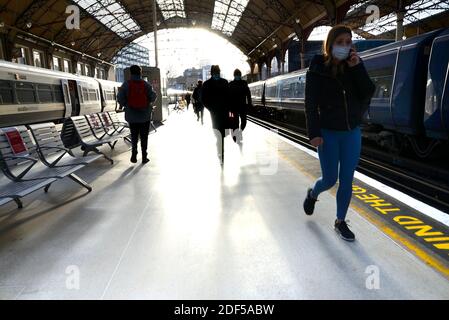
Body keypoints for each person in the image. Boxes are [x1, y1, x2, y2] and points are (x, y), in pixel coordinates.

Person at [303, 25, 375, 241]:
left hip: (351, 132)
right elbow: (310, 104)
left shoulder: (352, 67)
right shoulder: (316, 69)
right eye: (340, 42)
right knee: (329, 179)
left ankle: (340, 221)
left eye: (348, 42)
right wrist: (313, 132)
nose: (345, 46)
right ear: (330, 44)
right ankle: (313, 193)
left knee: (347, 180)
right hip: (328, 133)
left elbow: (368, 92)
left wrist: (357, 68)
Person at [118, 65, 157, 164]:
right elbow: (153, 97)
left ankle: (134, 153)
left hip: (132, 116)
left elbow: (120, 98)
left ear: (131, 73)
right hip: (145, 116)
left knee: (134, 136)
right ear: (140, 73)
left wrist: (127, 104)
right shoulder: (146, 84)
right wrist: (147, 103)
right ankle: (144, 157)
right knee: (144, 137)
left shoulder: (126, 84)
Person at [201, 65, 229, 164]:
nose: (216, 75)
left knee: (222, 133)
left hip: (222, 112)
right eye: (215, 73)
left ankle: (220, 148)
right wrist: (211, 109)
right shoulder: (207, 84)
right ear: (212, 73)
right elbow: (204, 99)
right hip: (215, 112)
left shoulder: (224, 82)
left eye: (218, 73)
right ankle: (220, 148)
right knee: (218, 132)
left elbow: (229, 97)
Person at [229, 69, 252, 143]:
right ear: (234, 76)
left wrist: (249, 104)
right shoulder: (230, 84)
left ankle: (239, 132)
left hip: (242, 106)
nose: (238, 76)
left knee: (244, 122)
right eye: (236, 75)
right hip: (233, 107)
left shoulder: (244, 83)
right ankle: (235, 136)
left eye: (239, 75)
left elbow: (248, 94)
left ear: (240, 75)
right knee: (234, 123)